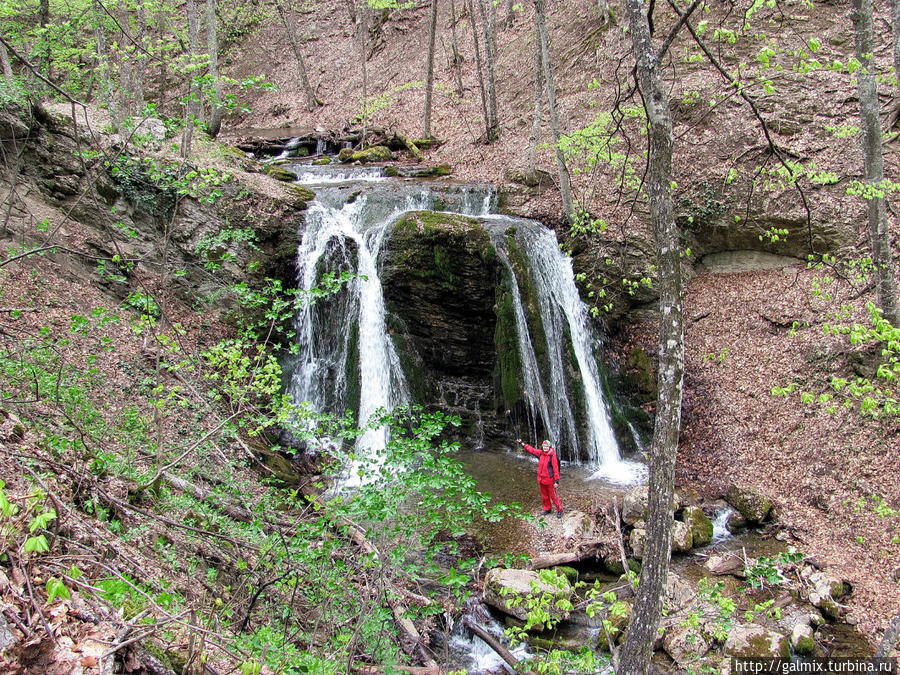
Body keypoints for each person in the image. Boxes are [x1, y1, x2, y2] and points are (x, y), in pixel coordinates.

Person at [516, 438, 563, 518]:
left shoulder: (552, 456)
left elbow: (555, 469)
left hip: (549, 480)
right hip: (541, 479)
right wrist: (522, 443)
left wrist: (556, 481)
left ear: (549, 447)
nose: (545, 448)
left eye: (546, 446)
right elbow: (532, 450)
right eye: (544, 446)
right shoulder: (541, 453)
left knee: (554, 496)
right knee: (544, 495)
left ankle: (560, 510)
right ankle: (547, 508)